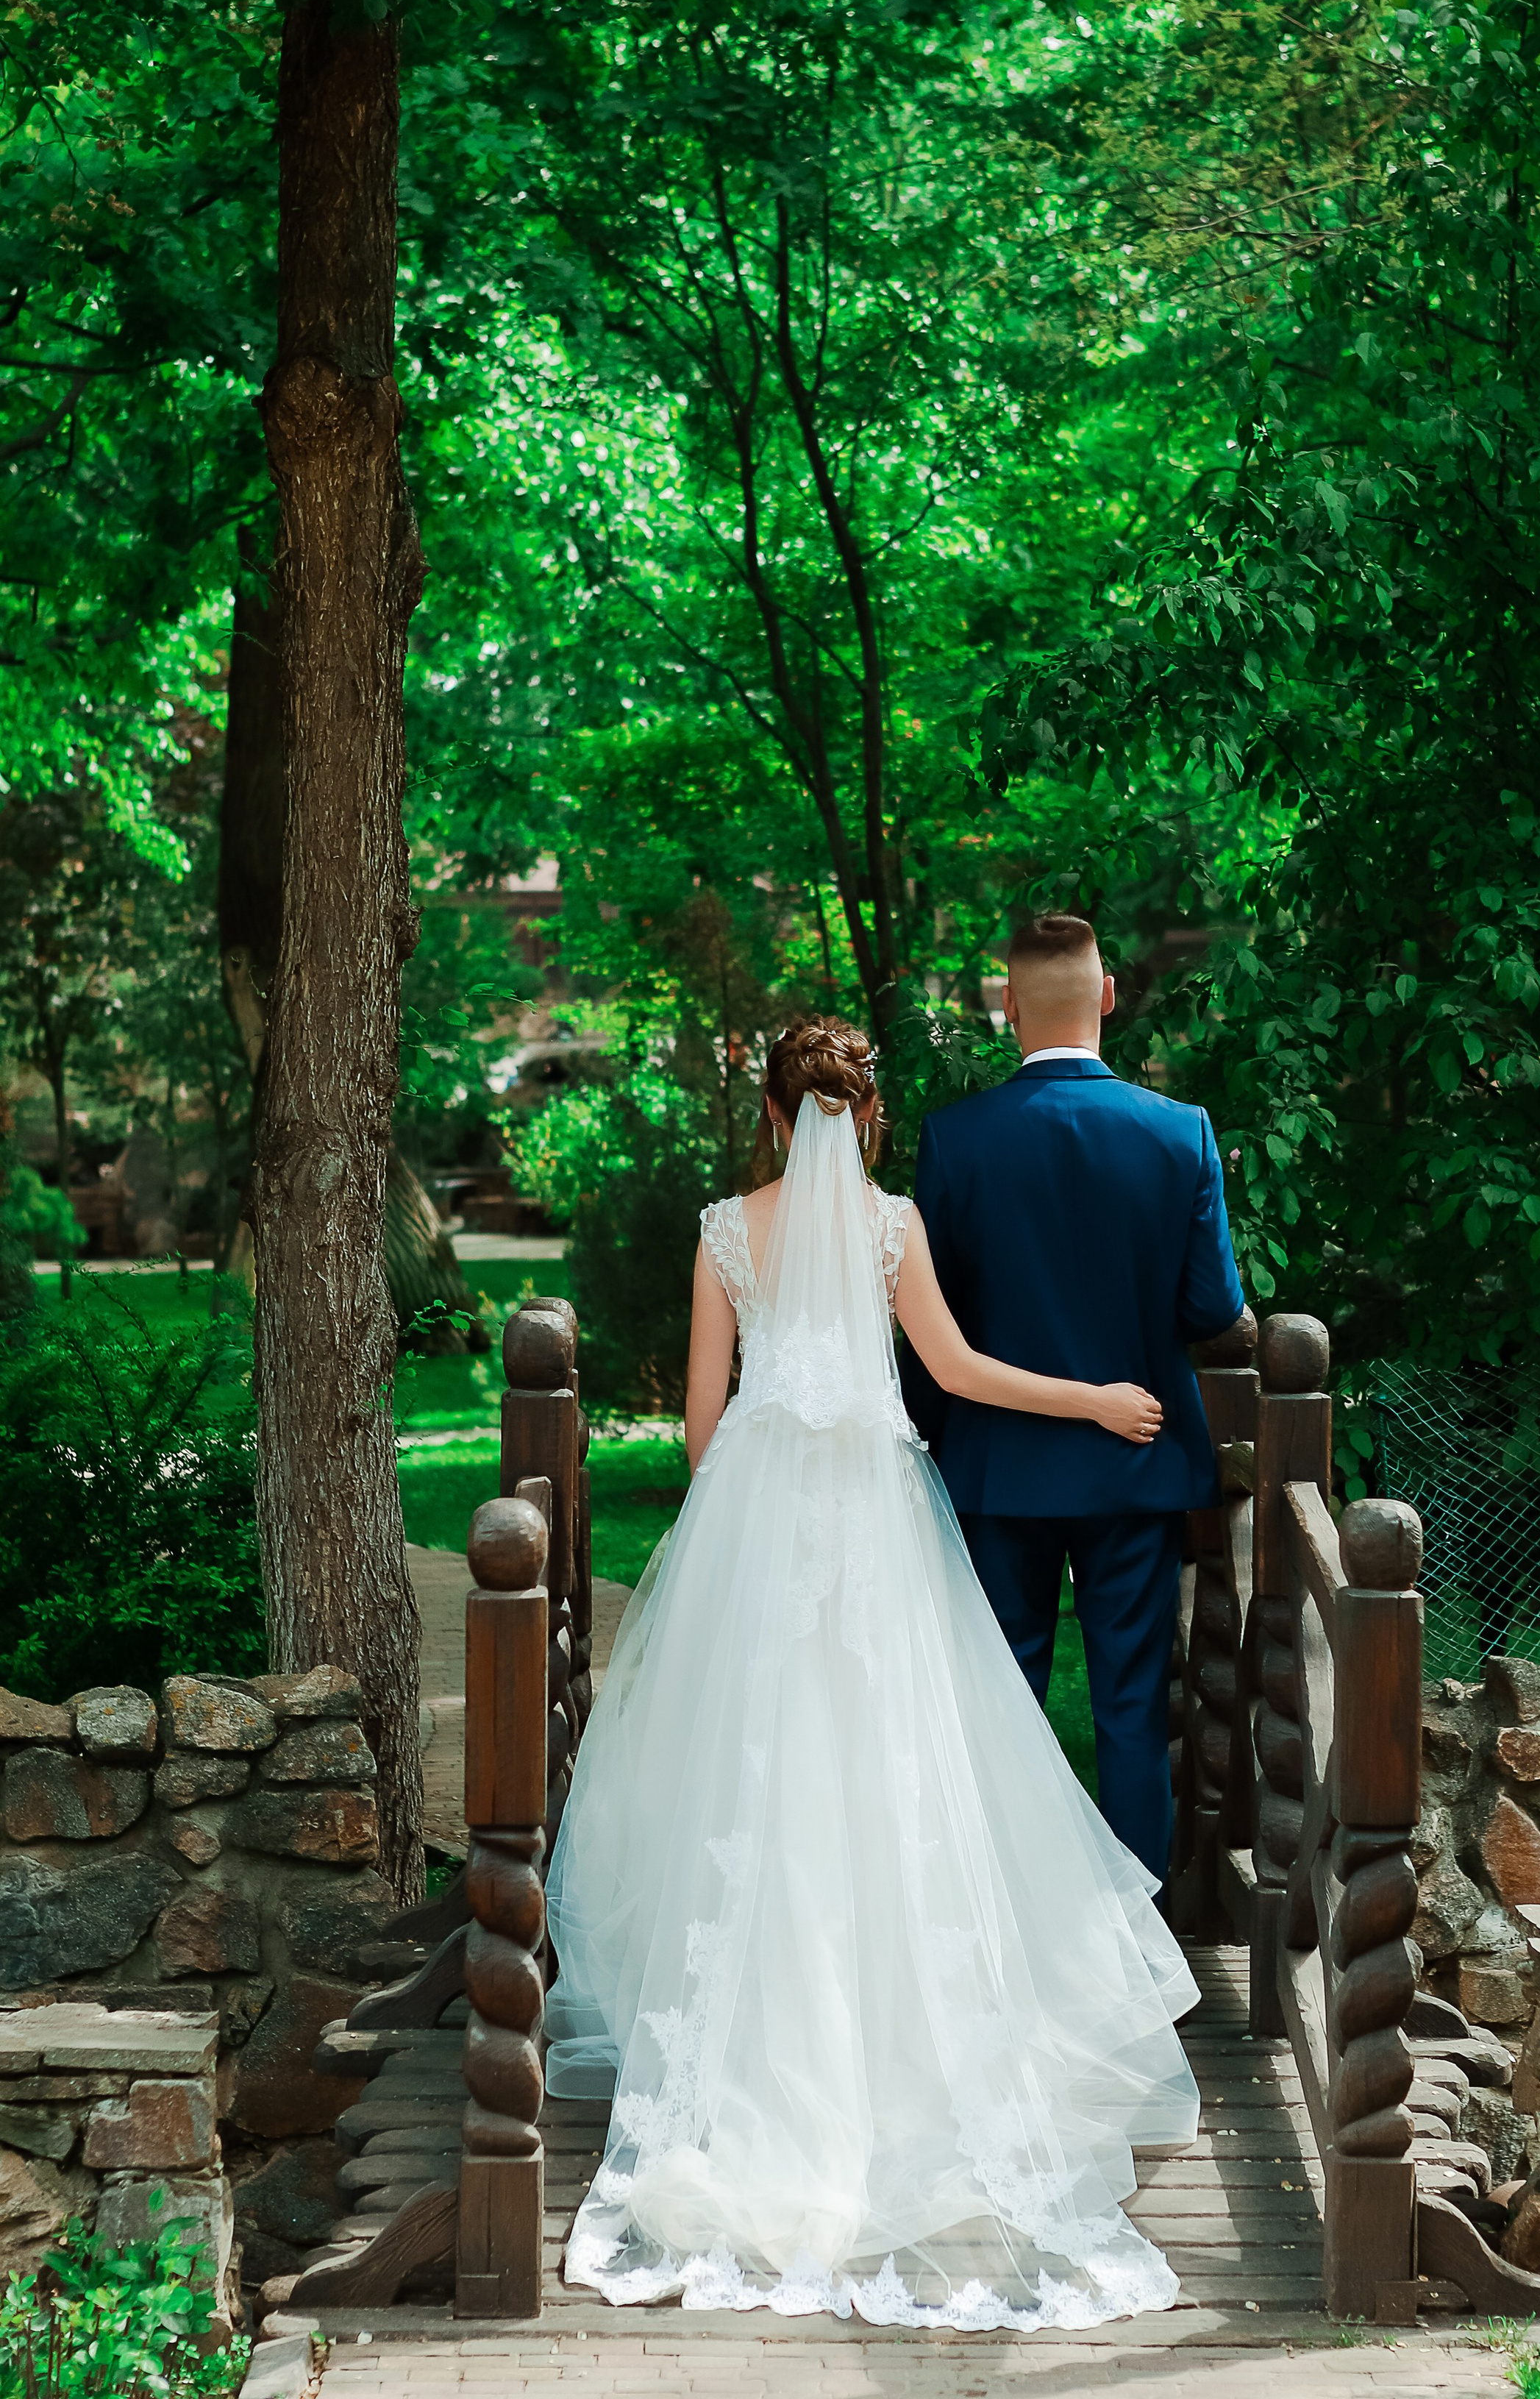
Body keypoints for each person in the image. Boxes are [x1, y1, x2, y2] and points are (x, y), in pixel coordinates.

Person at [544, 1017, 1201, 2331]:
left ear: (777, 1115)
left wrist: (727, 1536)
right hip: (878, 1521)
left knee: (758, 1772)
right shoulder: (893, 1226)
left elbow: (698, 1422)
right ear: (866, 1116)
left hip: (763, 1513)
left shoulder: (727, 1227)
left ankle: (747, 2072)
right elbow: (955, 1374)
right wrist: (1098, 1401)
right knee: (898, 1764)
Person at [905, 914, 1255, 1886]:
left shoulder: (955, 1141)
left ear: (1005, 1006)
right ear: (1106, 997)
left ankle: (1007, 1931)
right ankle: (1141, 1946)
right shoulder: (1177, 1133)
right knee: (1134, 1712)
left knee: (1001, 1705)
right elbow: (1213, 1308)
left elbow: (930, 1320)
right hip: (1135, 1464)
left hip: (997, 1466)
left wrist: (933, 1445)